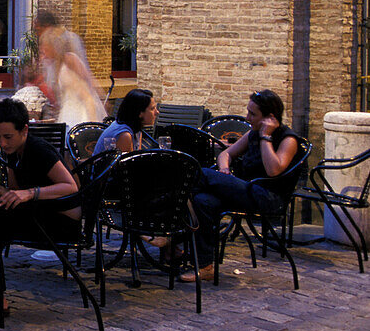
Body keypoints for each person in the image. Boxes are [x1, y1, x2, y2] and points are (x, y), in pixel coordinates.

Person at [0, 98, 80, 316]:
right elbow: (15, 191)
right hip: (37, 214)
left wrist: (30, 193)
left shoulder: (38, 149)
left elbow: (70, 186)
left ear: (24, 130)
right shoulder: (13, 150)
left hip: (62, 221)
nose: (2, 143)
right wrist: (3, 190)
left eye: (7, 136)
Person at [186, 89, 299, 282]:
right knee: (201, 200)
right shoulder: (252, 133)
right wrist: (224, 171)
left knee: (201, 173)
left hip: (268, 197)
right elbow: (225, 154)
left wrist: (266, 137)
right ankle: (205, 267)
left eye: (252, 114)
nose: (248, 118)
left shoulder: (288, 139)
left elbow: (273, 170)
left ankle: (168, 232)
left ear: (269, 118)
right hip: (246, 191)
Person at [39, 26, 106, 128]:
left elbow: (87, 95)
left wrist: (93, 125)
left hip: (81, 115)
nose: (43, 55)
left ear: (53, 47)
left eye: (46, 49)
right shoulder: (56, 65)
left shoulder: (70, 60)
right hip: (67, 113)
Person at [95, 88, 159, 153]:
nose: (157, 112)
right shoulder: (124, 135)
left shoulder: (136, 128)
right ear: (139, 113)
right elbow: (128, 162)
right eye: (152, 108)